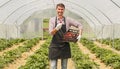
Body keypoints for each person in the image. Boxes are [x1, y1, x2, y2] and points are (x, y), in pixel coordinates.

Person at [48, 3, 83, 69]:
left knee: (64, 66)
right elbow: (51, 33)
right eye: (59, 9)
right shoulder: (52, 20)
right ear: (56, 9)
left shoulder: (67, 20)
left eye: (62, 9)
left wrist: (80, 34)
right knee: (53, 66)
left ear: (64, 10)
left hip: (65, 45)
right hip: (54, 45)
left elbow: (80, 25)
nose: (60, 11)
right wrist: (56, 29)